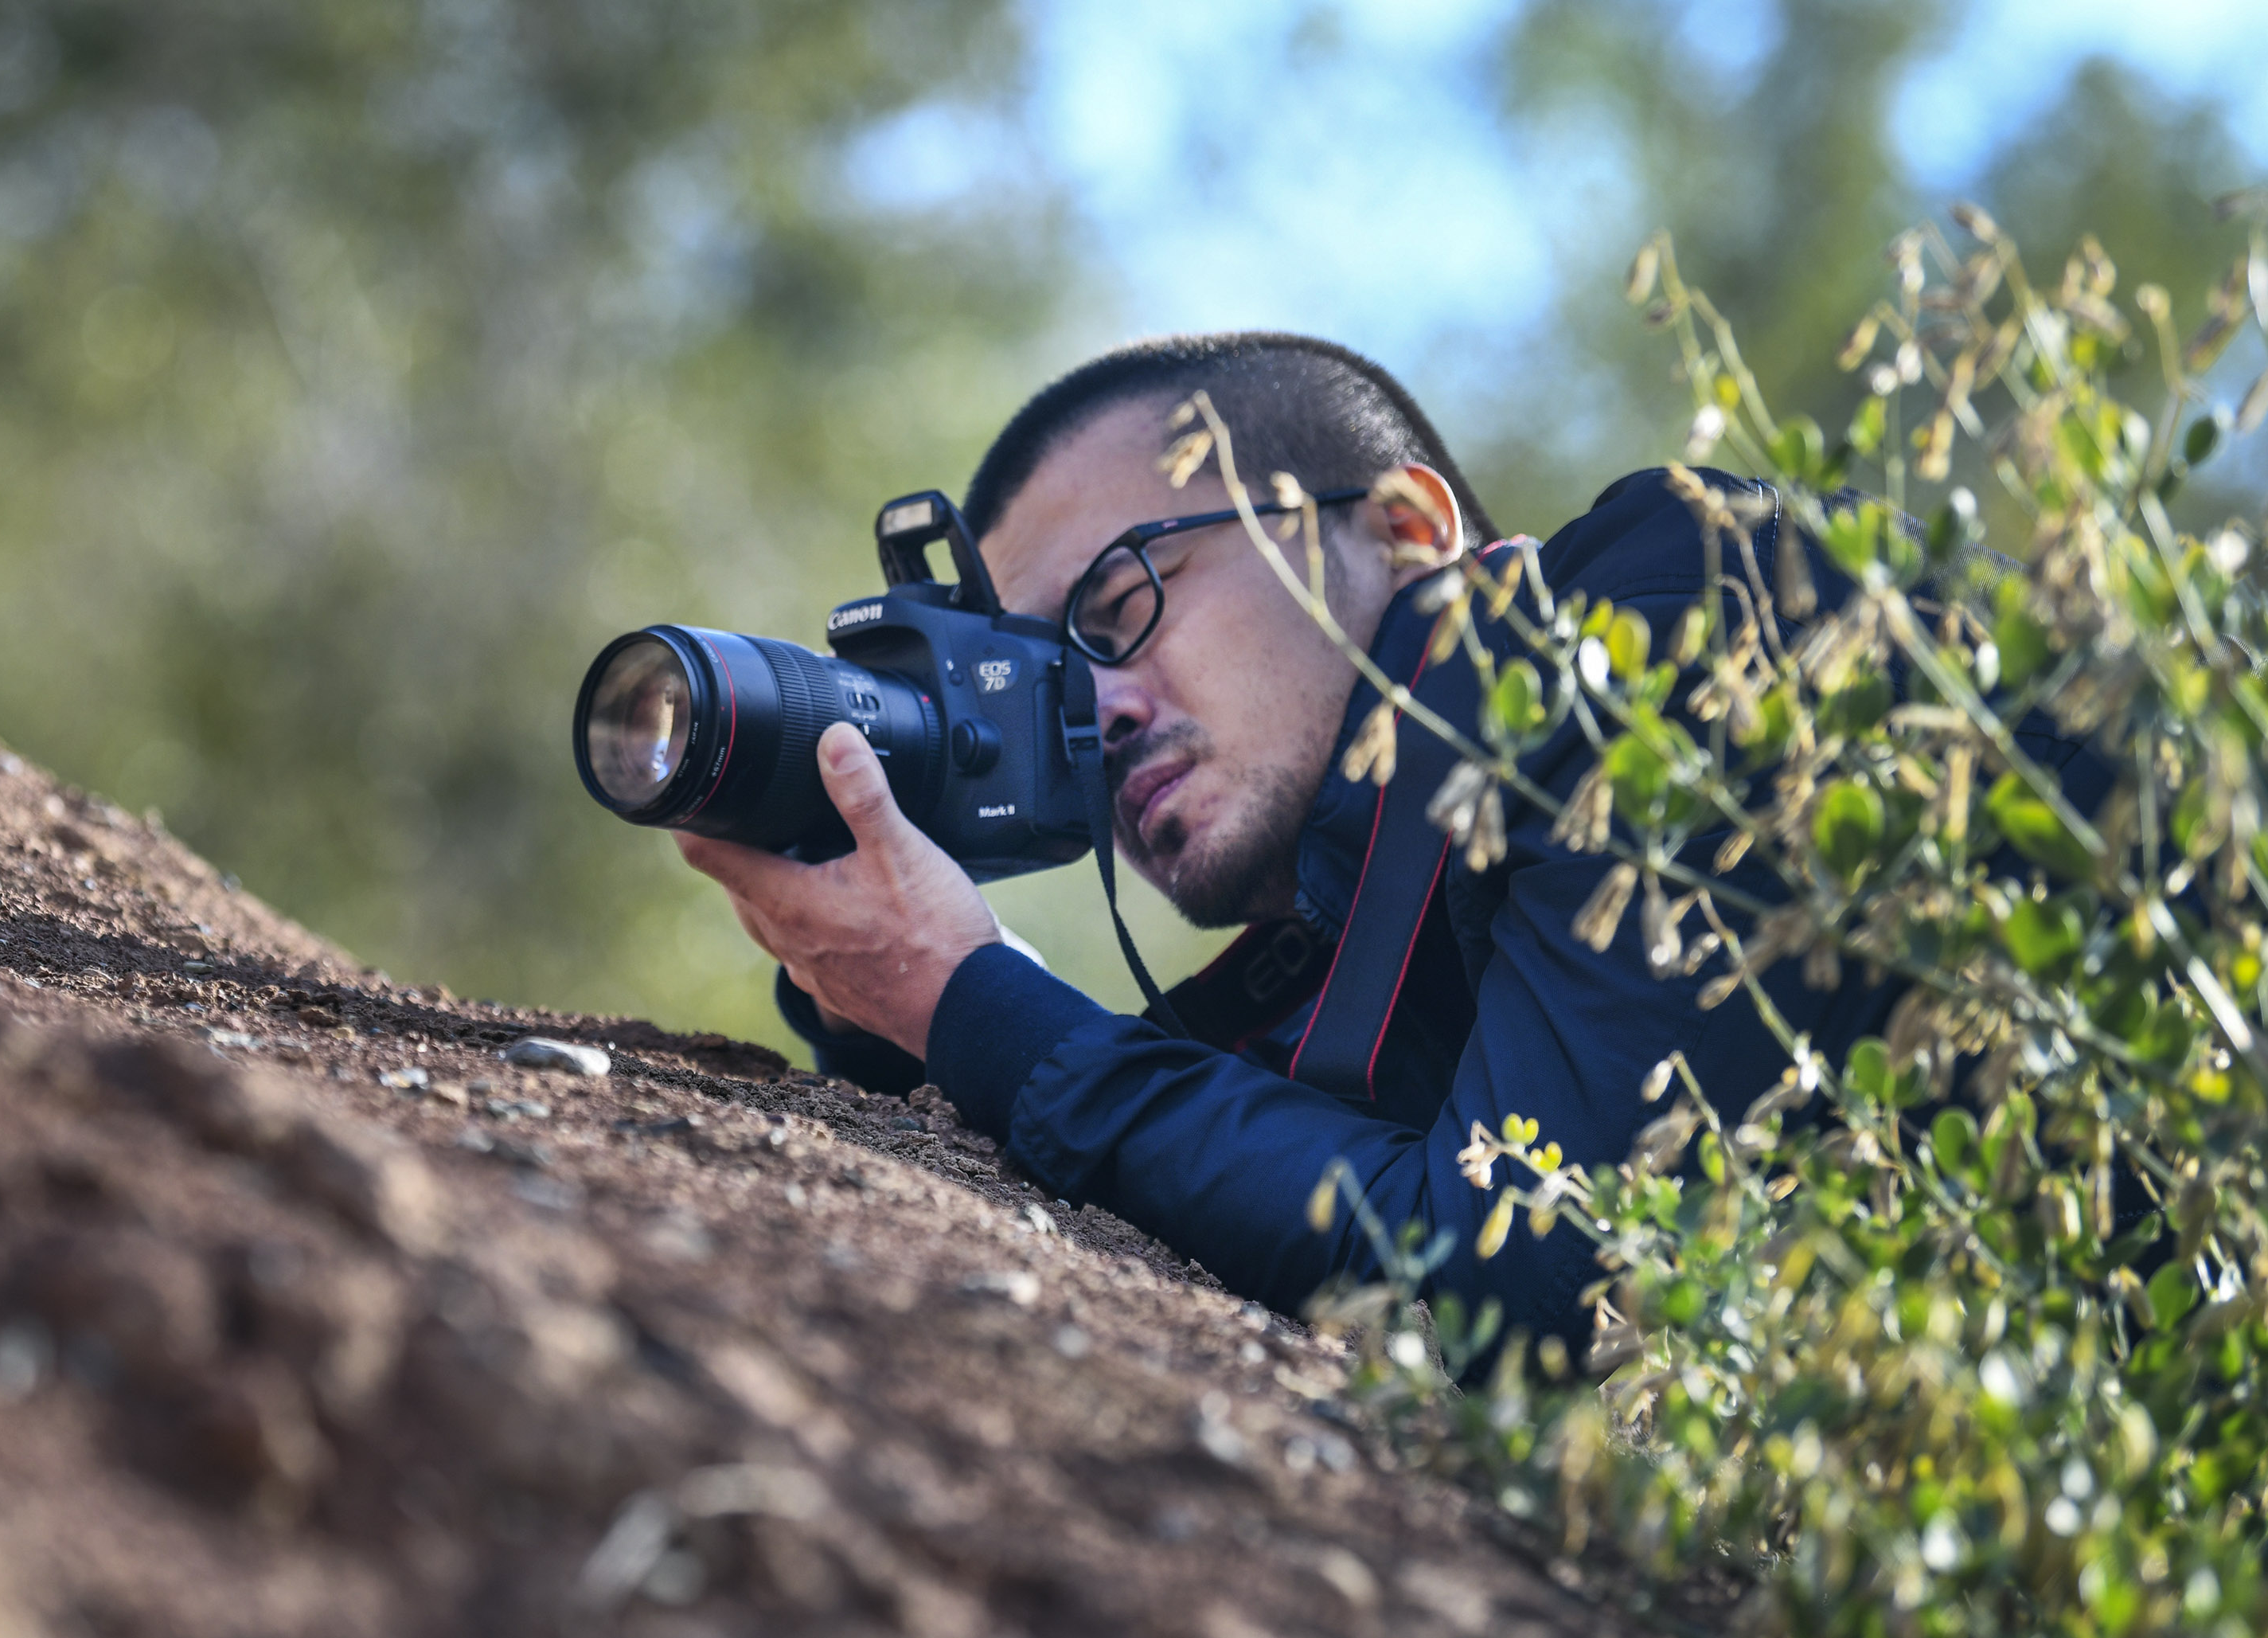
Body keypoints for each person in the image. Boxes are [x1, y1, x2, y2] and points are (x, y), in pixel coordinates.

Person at [677, 331, 1935, 1369]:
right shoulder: (1376, 971)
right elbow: (1288, 1185)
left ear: (1402, 529)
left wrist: (981, 1000)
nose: (1094, 710)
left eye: (1120, 608)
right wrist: (882, 987)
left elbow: (1532, 1279)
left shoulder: (1675, 614)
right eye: (1048, 677)